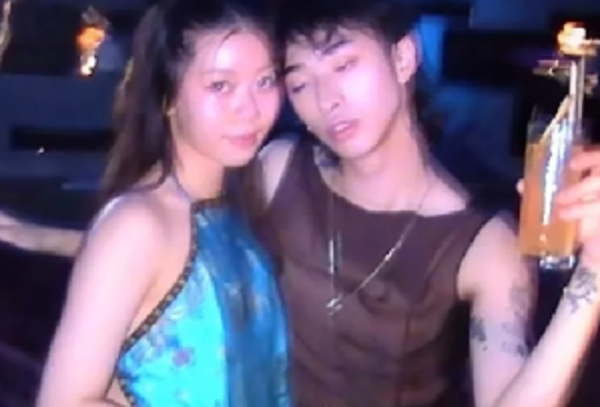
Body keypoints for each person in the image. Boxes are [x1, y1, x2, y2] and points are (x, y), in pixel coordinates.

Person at [2, 0, 600, 405]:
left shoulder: (483, 245)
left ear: (403, 57)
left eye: (343, 64)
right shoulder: (277, 169)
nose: (326, 99)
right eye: (297, 81)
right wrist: (35, 236)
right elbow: (170, 255)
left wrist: (592, 278)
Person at [32, 0, 291, 406]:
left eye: (265, 81)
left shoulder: (236, 202)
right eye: (221, 86)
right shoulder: (138, 224)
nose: (251, 110)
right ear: (168, 95)